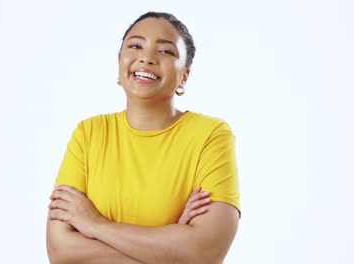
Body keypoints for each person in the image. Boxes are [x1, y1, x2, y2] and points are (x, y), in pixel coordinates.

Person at [46, 11, 240, 264]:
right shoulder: (88, 133)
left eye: (166, 51)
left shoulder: (210, 135)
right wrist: (170, 249)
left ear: (184, 76)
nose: (146, 58)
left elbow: (204, 252)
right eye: (135, 46)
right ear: (120, 62)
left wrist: (94, 224)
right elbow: (61, 251)